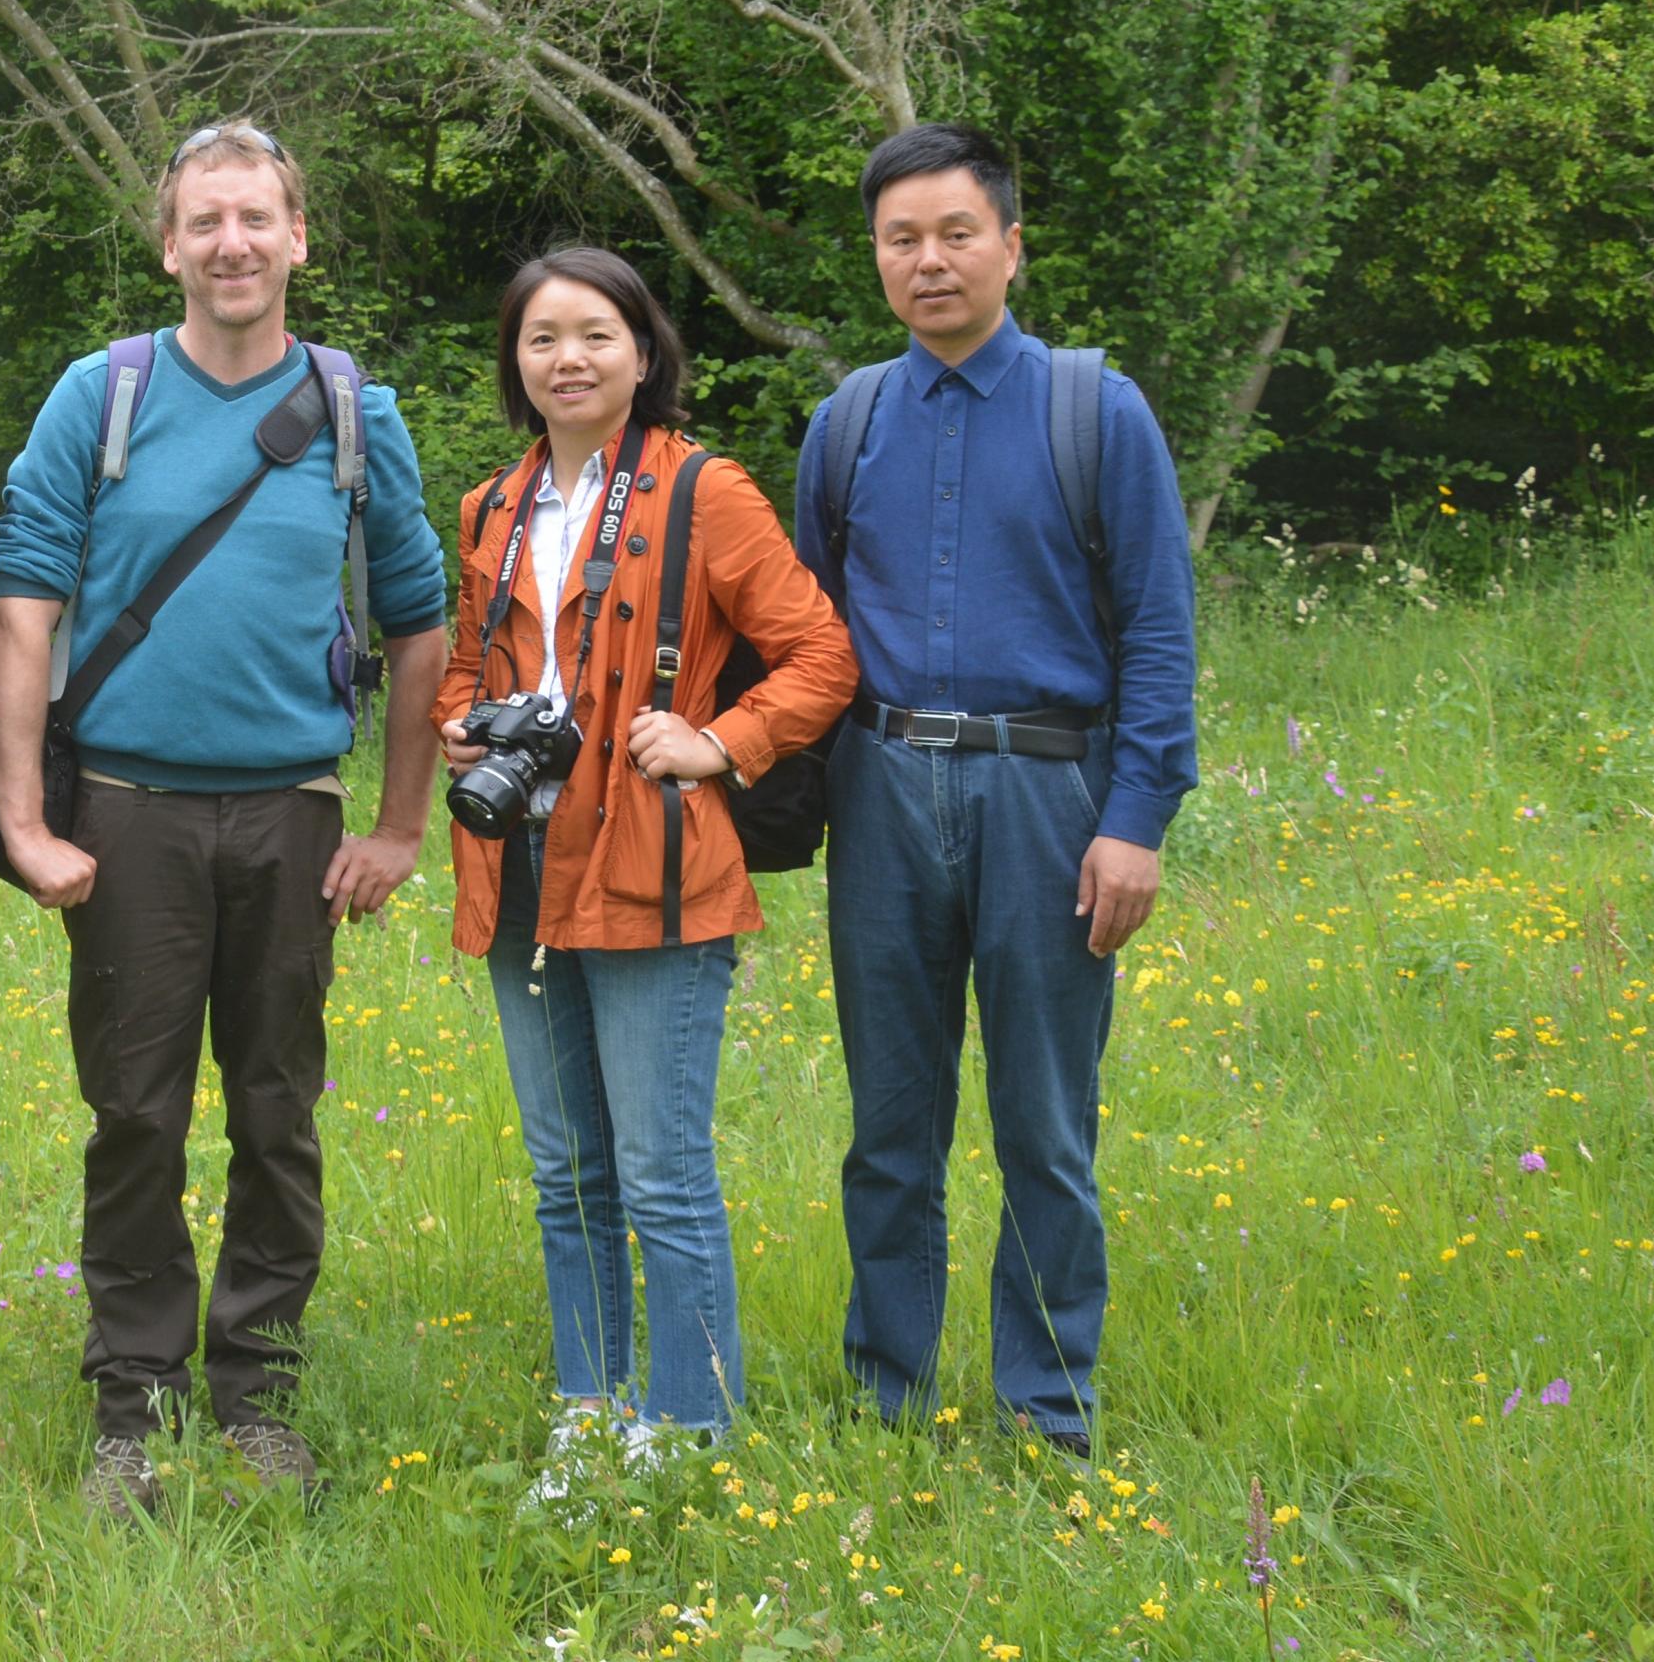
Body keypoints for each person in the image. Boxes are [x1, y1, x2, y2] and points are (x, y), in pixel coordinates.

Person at [0, 119, 450, 1515]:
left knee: (276, 1111)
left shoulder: (356, 413)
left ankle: (258, 1395)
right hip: (126, 815)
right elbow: (22, 610)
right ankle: (132, 1401)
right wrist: (25, 823)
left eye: (257, 219)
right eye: (206, 222)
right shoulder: (102, 397)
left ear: (298, 236)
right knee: (133, 1113)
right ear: (169, 244)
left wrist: (400, 827)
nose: (232, 244)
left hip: (294, 814)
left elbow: (421, 625)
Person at [794, 122, 1198, 1458]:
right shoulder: (847, 424)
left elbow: (1159, 633)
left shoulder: (1098, 413)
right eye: (901, 239)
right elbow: (809, 641)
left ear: (1011, 247)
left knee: (1045, 1125)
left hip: (1051, 799)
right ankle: (888, 1395)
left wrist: (1135, 821)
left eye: (956, 233)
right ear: (876, 257)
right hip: (883, 792)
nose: (930, 261)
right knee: (889, 1127)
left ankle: (1048, 1410)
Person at [434, 246, 855, 1490]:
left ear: (642, 351)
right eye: (542, 339)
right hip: (518, 861)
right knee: (566, 1173)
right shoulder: (492, 506)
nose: (568, 360)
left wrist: (721, 741)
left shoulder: (702, 490)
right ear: (516, 361)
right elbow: (467, 664)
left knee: (662, 1177)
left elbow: (822, 655)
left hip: (652, 864)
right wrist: (462, 722)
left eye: (595, 336)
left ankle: (687, 1433)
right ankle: (591, 1405)